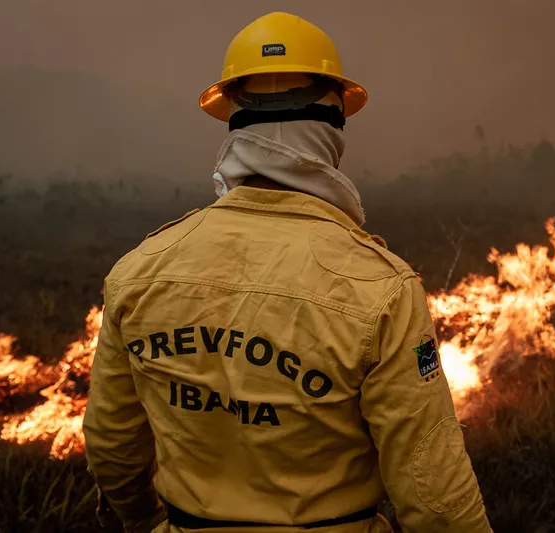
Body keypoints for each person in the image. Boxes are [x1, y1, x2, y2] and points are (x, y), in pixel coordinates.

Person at [82, 11, 493, 533]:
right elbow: (436, 501)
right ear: (334, 123)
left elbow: (113, 447)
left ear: (232, 121)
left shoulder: (137, 271)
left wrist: (145, 523)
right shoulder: (382, 288)